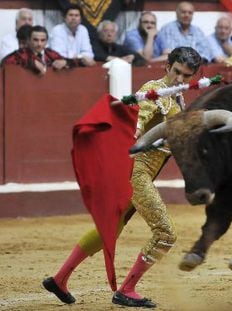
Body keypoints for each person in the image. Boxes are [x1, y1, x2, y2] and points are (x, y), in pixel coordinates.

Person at [42, 46, 202, 308]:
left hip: (142, 174)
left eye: (186, 76)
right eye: (176, 72)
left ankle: (59, 279)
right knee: (165, 234)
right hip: (137, 174)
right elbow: (140, 117)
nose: (180, 80)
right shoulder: (156, 92)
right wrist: (133, 128)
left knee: (110, 228)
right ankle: (126, 289)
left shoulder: (176, 98)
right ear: (167, 67)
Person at [2, 26, 75, 75]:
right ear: (29, 40)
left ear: (47, 41)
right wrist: (31, 63)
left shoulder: (50, 53)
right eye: (35, 40)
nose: (39, 44)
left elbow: (75, 62)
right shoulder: (21, 53)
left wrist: (66, 62)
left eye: (43, 40)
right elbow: (5, 63)